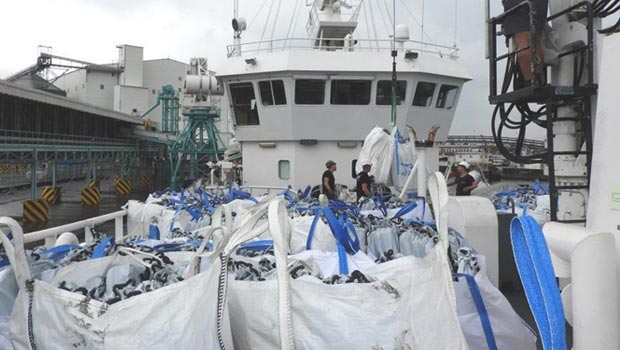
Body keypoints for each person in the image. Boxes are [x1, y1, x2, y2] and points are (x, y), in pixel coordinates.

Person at [502, 0, 549, 86]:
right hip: (534, 9)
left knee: (525, 41)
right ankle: (536, 78)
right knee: (533, 40)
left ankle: (531, 80)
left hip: (521, 10)